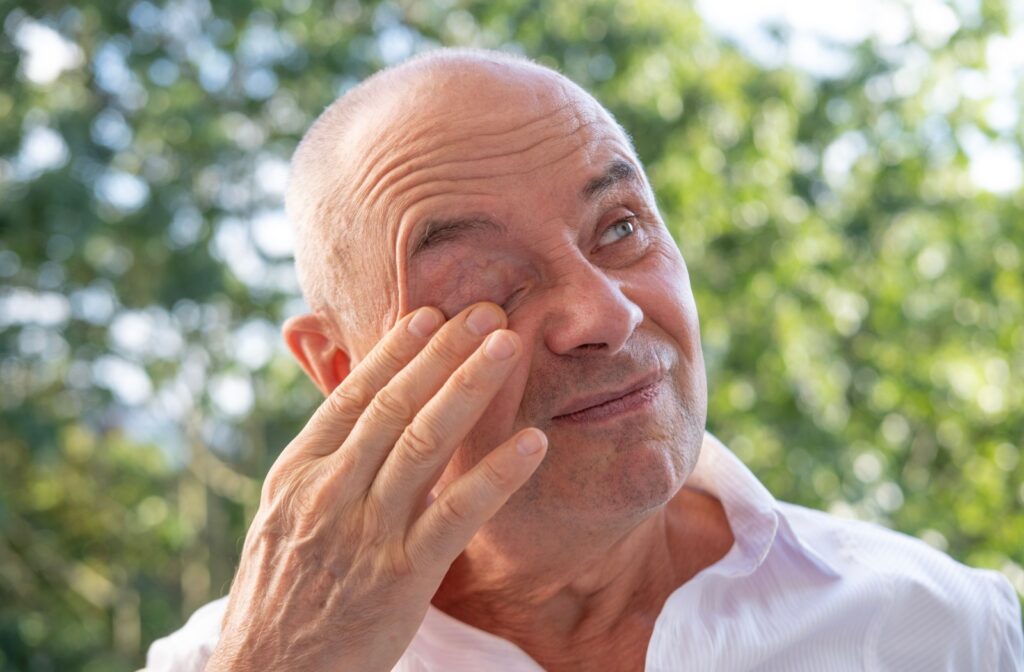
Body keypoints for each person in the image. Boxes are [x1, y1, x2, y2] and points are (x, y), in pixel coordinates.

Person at [144, 48, 1023, 671]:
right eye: (483, 285)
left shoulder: (947, 629)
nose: (605, 312)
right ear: (340, 369)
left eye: (621, 229)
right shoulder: (226, 664)